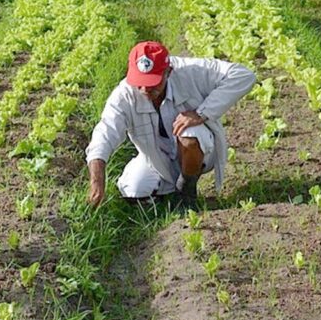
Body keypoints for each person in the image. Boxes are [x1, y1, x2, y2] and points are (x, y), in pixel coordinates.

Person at [85, 41, 256, 208]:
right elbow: (105, 133)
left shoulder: (192, 72)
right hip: (157, 157)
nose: (145, 89)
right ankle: (167, 196)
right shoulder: (124, 95)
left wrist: (202, 113)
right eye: (140, 82)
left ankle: (187, 190)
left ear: (169, 72)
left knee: (189, 134)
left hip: (200, 150)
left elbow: (244, 75)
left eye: (153, 83)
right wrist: (97, 181)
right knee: (134, 189)